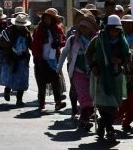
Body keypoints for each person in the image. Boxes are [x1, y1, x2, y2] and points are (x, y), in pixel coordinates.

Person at [86, 14, 130, 144]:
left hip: (116, 77)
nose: (114, 32)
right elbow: (88, 53)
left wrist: (120, 60)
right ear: (107, 28)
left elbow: (127, 57)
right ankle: (110, 130)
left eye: (117, 30)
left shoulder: (123, 41)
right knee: (103, 104)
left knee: (114, 107)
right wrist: (93, 65)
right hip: (100, 76)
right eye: (112, 29)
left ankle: (102, 122)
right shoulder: (98, 39)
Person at [57, 12, 99, 131]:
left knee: (92, 96)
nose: (83, 29)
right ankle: (83, 120)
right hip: (78, 72)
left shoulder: (98, 39)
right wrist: (59, 67)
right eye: (81, 26)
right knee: (83, 95)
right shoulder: (73, 39)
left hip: (93, 72)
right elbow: (64, 52)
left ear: (91, 27)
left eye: (85, 26)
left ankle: (87, 114)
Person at [32, 8, 66, 111]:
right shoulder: (39, 30)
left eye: (49, 18)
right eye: (46, 17)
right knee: (41, 84)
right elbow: (35, 45)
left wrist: (59, 43)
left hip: (53, 60)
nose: (47, 19)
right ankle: (41, 104)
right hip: (42, 60)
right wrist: (37, 58)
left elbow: (64, 40)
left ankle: (58, 103)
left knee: (56, 82)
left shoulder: (58, 29)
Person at [0, 14, 32, 106]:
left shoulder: (26, 32)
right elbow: (1, 42)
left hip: (23, 58)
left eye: (22, 25)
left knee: (22, 79)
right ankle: (7, 90)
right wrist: (9, 45)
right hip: (11, 58)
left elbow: (30, 43)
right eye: (19, 24)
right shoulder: (8, 31)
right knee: (10, 77)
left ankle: (19, 99)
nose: (21, 26)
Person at [115, 14, 133, 133]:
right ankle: (111, 118)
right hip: (124, 71)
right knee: (126, 99)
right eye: (125, 23)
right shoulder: (118, 37)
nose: (127, 25)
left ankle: (126, 121)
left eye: (130, 23)